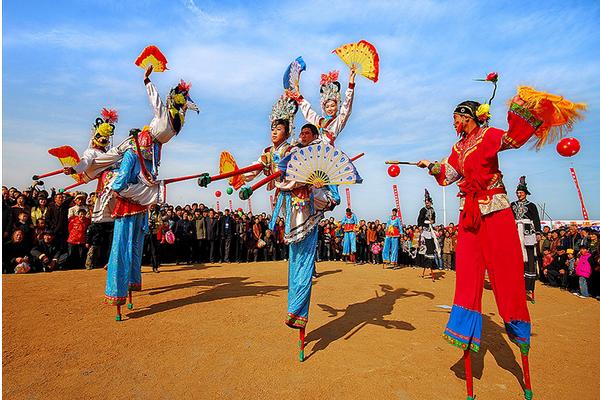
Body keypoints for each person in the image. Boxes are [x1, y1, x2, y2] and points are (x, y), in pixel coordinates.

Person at [416, 76, 585, 399]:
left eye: (456, 116)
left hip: (494, 212)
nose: (453, 122)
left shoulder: (489, 136)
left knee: (506, 277)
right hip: (469, 216)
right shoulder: (458, 148)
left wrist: (525, 112)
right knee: (466, 280)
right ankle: (465, 337)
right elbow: (450, 176)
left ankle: (519, 332)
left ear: (467, 117)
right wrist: (432, 166)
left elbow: (512, 140)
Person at [269, 123, 342, 355]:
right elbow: (272, 170)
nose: (302, 136)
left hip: (309, 216)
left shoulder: (320, 158)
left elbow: (334, 197)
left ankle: (299, 314)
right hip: (292, 216)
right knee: (295, 267)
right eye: (301, 133)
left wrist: (319, 184)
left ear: (315, 137)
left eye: (307, 133)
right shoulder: (291, 153)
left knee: (304, 267)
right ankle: (294, 311)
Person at [293, 67, 356, 145]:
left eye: (332, 106)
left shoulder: (338, 121)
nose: (330, 109)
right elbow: (309, 113)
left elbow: (347, 106)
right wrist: (299, 95)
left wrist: (351, 84)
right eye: (327, 107)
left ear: (337, 107)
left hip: (327, 151)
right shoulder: (320, 121)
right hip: (314, 150)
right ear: (324, 109)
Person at [511, 176, 542, 303]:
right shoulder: (512, 205)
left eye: (521, 193)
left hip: (527, 230)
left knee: (529, 257)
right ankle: (515, 285)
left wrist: (538, 232)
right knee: (514, 256)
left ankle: (529, 286)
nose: (519, 195)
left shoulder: (532, 205)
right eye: (518, 193)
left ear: (525, 193)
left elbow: (536, 219)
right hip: (514, 230)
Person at [417, 190, 440, 280]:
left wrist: (432, 221)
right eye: (426, 202)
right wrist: (420, 226)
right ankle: (424, 263)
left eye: (428, 202)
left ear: (430, 202)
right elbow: (419, 219)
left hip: (430, 228)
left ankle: (431, 263)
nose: (427, 203)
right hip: (425, 229)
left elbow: (434, 219)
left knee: (431, 245)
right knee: (424, 246)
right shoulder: (423, 210)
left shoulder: (433, 210)